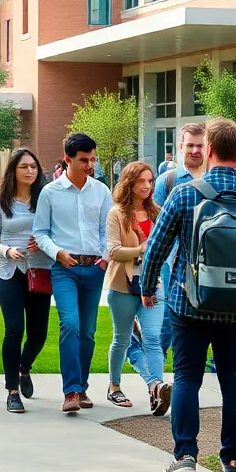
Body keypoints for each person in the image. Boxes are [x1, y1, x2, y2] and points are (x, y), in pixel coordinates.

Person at [142, 118, 236, 472]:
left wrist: (146, 286)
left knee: (187, 377)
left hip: (188, 303)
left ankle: (185, 457)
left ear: (208, 149)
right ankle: (235, 462)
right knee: (234, 381)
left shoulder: (185, 193)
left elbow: (156, 247)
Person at [33, 132, 110, 414]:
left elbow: (106, 230)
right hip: (64, 268)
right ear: (67, 159)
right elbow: (39, 232)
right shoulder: (50, 192)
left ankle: (83, 387)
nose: (90, 165)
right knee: (71, 324)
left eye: (93, 159)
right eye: (84, 160)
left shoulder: (101, 191)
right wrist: (58, 253)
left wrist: (104, 259)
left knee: (88, 332)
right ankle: (71, 391)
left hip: (94, 269)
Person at [0, 148, 52, 413]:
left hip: (39, 270)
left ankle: (24, 368)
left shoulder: (45, 200)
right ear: (13, 170)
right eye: (24, 166)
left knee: (38, 335)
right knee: (14, 329)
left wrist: (44, 243)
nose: (30, 171)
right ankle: (12, 390)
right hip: (8, 272)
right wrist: (7, 250)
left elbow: (56, 232)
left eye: (33, 166)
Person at [104, 161, 172, 416]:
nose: (146, 186)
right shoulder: (117, 214)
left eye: (150, 181)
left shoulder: (157, 212)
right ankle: (114, 386)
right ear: (129, 183)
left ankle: (156, 388)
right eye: (141, 181)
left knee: (153, 338)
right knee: (122, 339)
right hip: (123, 284)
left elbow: (167, 246)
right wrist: (140, 250)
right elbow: (113, 251)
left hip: (153, 284)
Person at [150, 123, 206, 358]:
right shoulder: (167, 181)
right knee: (166, 320)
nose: (195, 150)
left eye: (200, 145)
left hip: (210, 263)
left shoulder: (215, 179)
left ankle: (202, 362)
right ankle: (156, 376)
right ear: (181, 148)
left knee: (208, 316)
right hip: (172, 264)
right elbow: (156, 228)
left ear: (208, 148)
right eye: (190, 145)